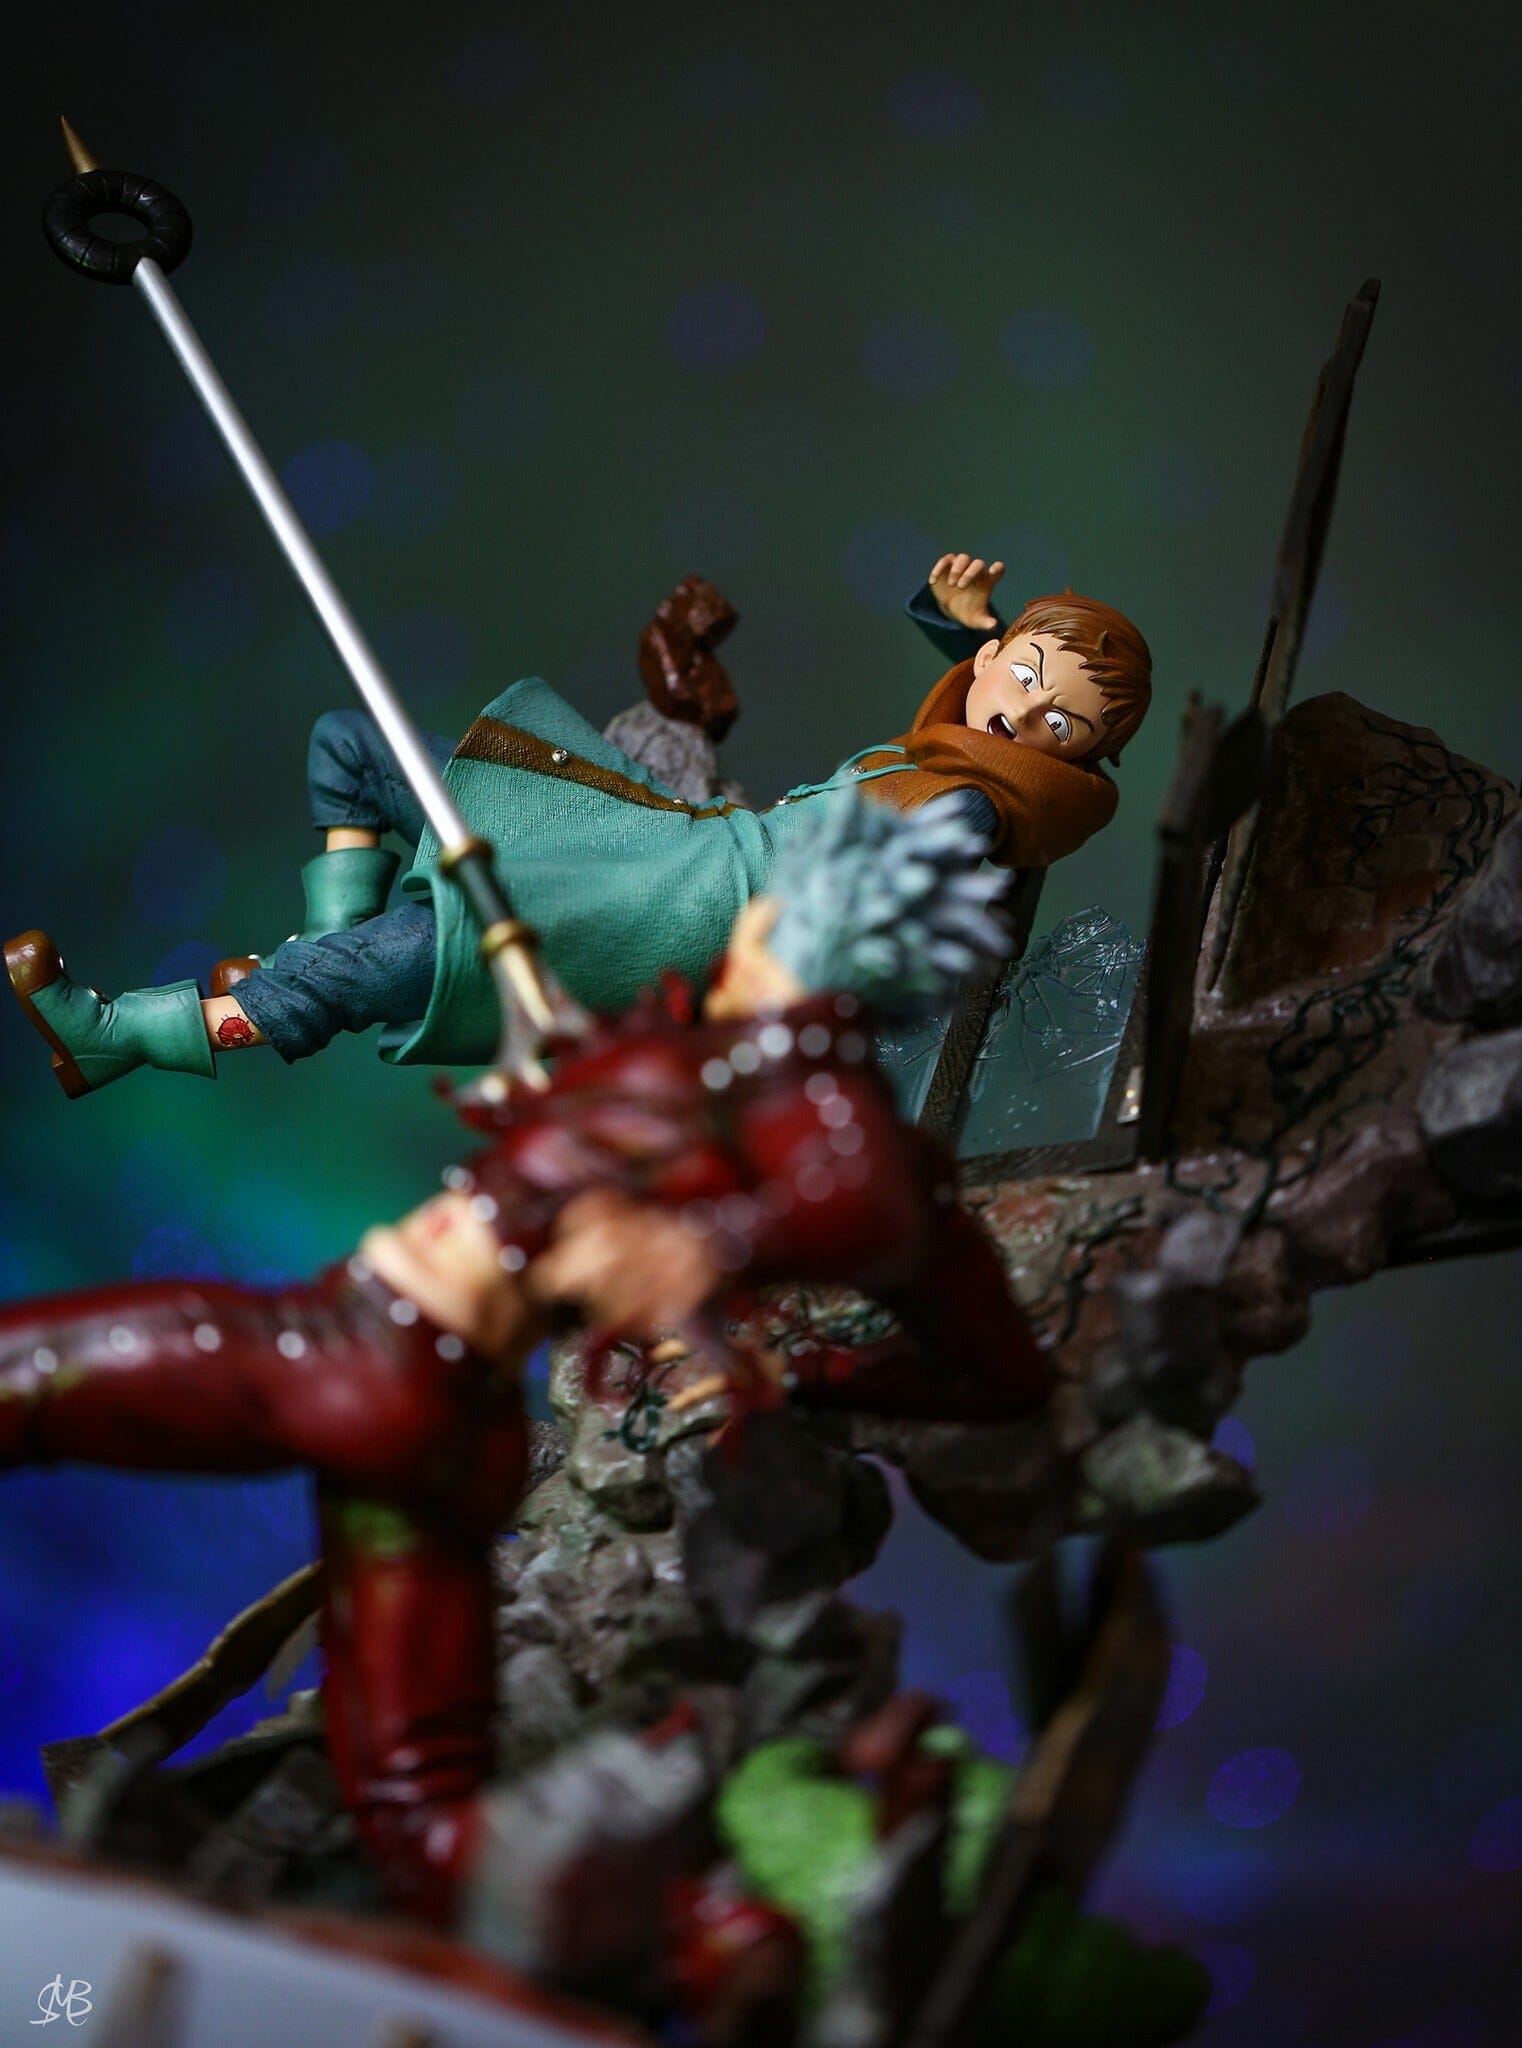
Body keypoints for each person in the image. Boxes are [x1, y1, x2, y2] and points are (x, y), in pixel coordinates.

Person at [0, 798, 1048, 1925]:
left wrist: (717, 1248)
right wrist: (800, 1366)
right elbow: (997, 1367)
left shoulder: (800, 1108)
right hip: (453, 1432)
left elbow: (865, 1202)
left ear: (787, 914)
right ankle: (711, 1940)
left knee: (23, 1385)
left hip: (356, 1352)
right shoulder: (755, 1080)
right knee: (424, 1824)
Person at [6, 555, 1151, 1095]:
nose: (1023, 716)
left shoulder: (971, 805)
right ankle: (321, 946)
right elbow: (981, 704)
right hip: (676, 839)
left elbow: (882, 913)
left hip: (681, 916)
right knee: (354, 746)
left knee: (406, 960)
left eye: (1060, 724)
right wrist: (972, 627)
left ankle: (130, 1033)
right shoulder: (961, 745)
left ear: (1076, 759)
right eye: (1021, 676)